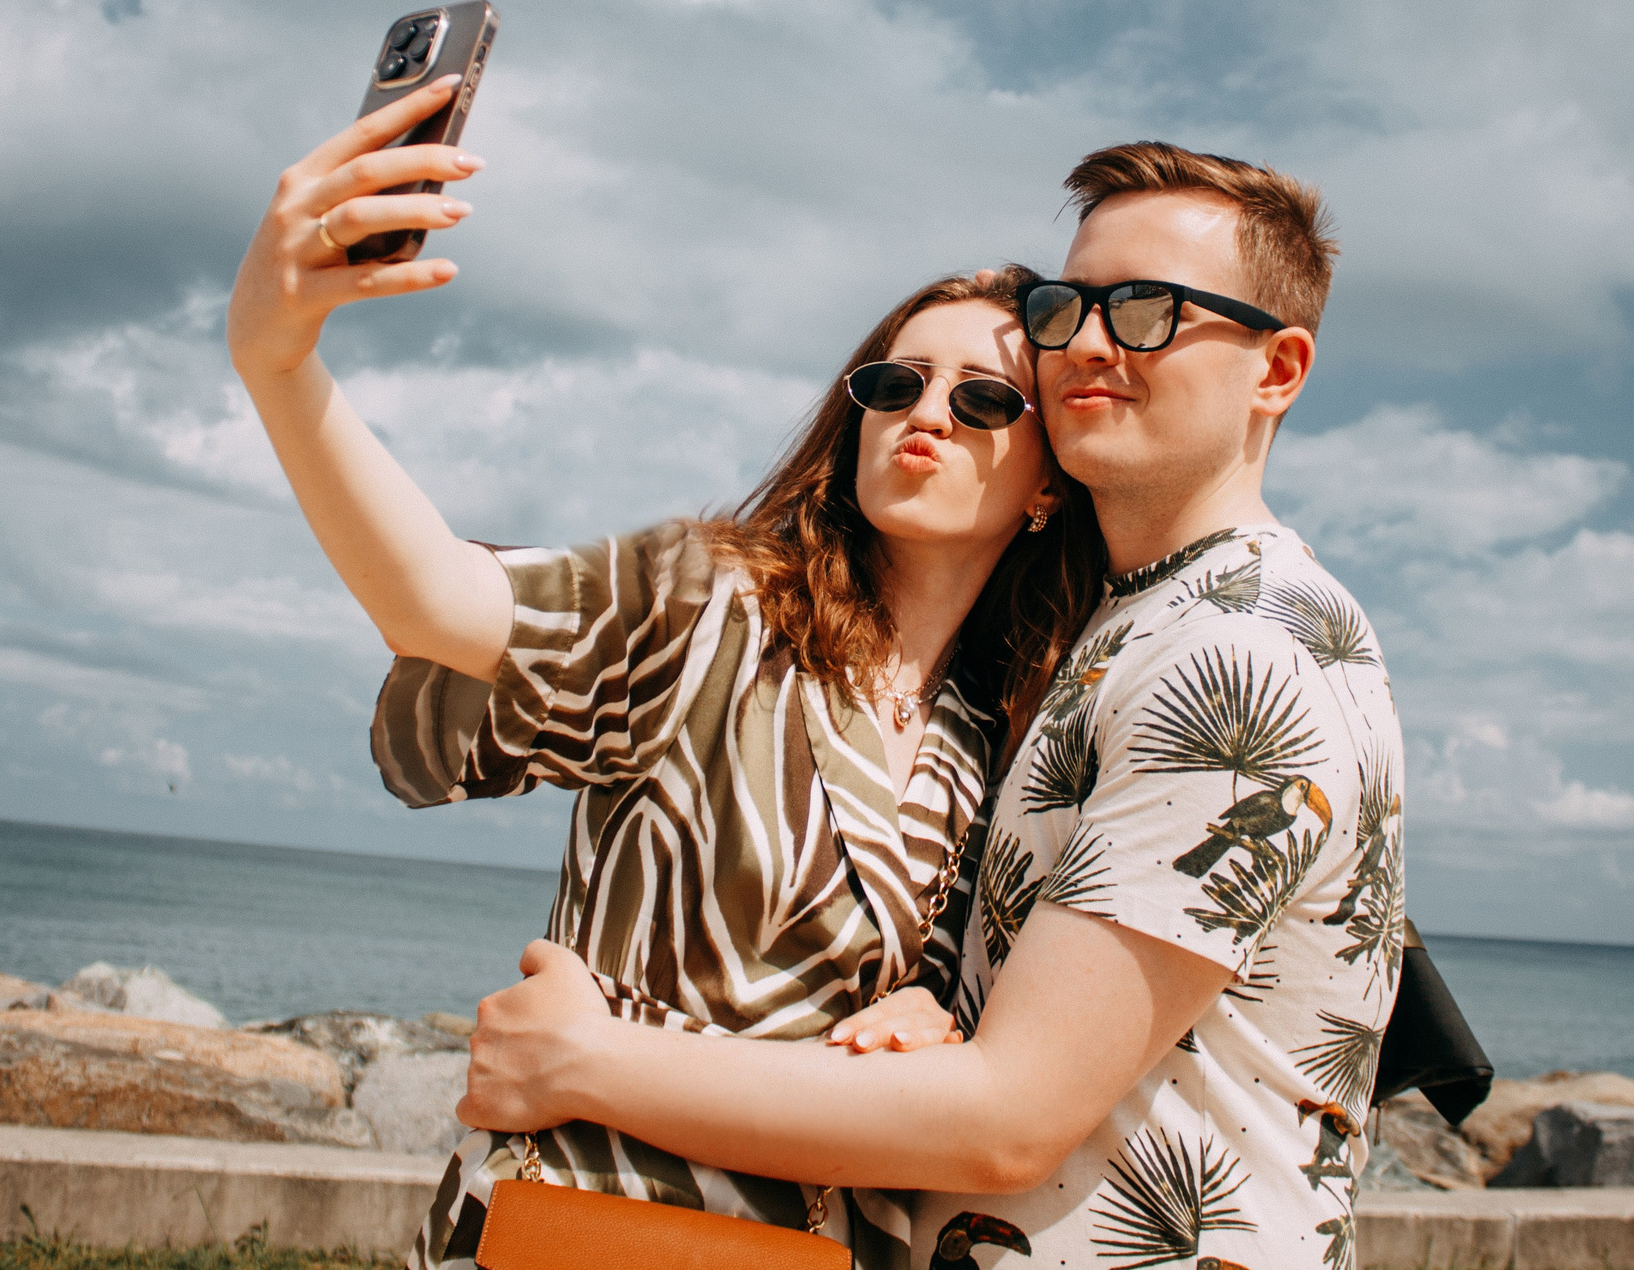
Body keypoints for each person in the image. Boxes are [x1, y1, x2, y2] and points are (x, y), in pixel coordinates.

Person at [460, 142, 1405, 1270]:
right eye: (1070, 305)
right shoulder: (1121, 631)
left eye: (1149, 308)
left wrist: (581, 1062)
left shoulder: (1239, 651)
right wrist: (938, 995)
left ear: (1276, 369)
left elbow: (1010, 1118)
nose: (1089, 343)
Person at [224, 75, 1104, 1270]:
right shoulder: (714, 602)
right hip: (583, 1217)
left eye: (986, 398)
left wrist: (937, 1008)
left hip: (807, 1244)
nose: (927, 413)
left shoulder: (1000, 729)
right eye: (893, 383)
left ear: (1051, 482)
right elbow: (438, 602)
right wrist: (279, 359)